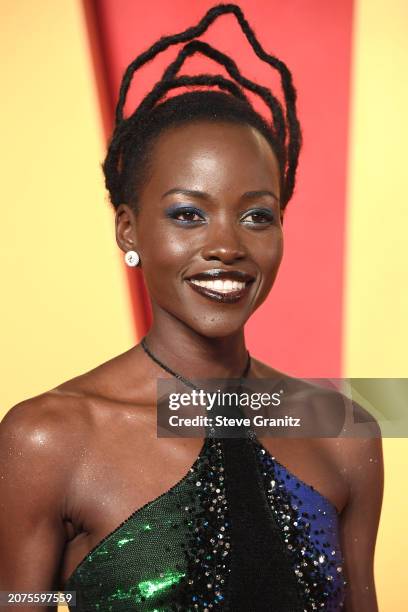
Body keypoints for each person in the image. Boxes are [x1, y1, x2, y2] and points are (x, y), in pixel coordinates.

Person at [0, 4, 383, 611]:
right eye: (187, 214)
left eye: (258, 215)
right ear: (129, 230)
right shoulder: (49, 438)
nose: (227, 245)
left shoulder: (343, 432)